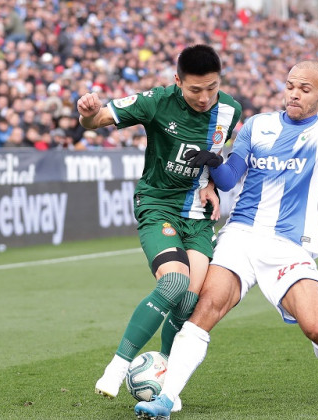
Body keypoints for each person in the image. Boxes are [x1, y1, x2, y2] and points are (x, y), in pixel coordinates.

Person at [135, 37, 318, 419]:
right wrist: (215, 163)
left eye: (305, 89)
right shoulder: (256, 126)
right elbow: (231, 179)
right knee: (205, 311)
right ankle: (165, 400)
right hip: (240, 238)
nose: (294, 94)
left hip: (289, 246)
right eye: (290, 86)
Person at [76, 44, 242, 408]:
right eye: (195, 89)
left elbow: (217, 155)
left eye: (211, 88)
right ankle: (117, 368)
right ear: (177, 81)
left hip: (197, 217)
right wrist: (87, 113)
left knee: (187, 303)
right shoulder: (156, 101)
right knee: (173, 282)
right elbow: (95, 121)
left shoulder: (231, 110)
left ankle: (166, 382)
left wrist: (212, 184)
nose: (204, 98)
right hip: (157, 205)